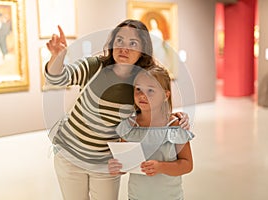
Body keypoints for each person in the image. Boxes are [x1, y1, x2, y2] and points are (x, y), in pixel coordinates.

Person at [45, 19, 190, 200]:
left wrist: (177, 117)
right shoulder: (95, 66)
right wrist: (57, 58)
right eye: (119, 40)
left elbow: (156, 103)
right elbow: (57, 79)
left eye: (133, 43)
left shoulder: (141, 81)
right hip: (70, 155)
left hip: (107, 162)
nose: (124, 48)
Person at [108, 65, 194, 200]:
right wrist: (118, 167)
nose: (142, 95)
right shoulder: (129, 128)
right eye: (138, 89)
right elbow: (126, 165)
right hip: (136, 196)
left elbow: (187, 165)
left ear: (166, 95)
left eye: (150, 91)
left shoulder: (175, 126)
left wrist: (161, 167)